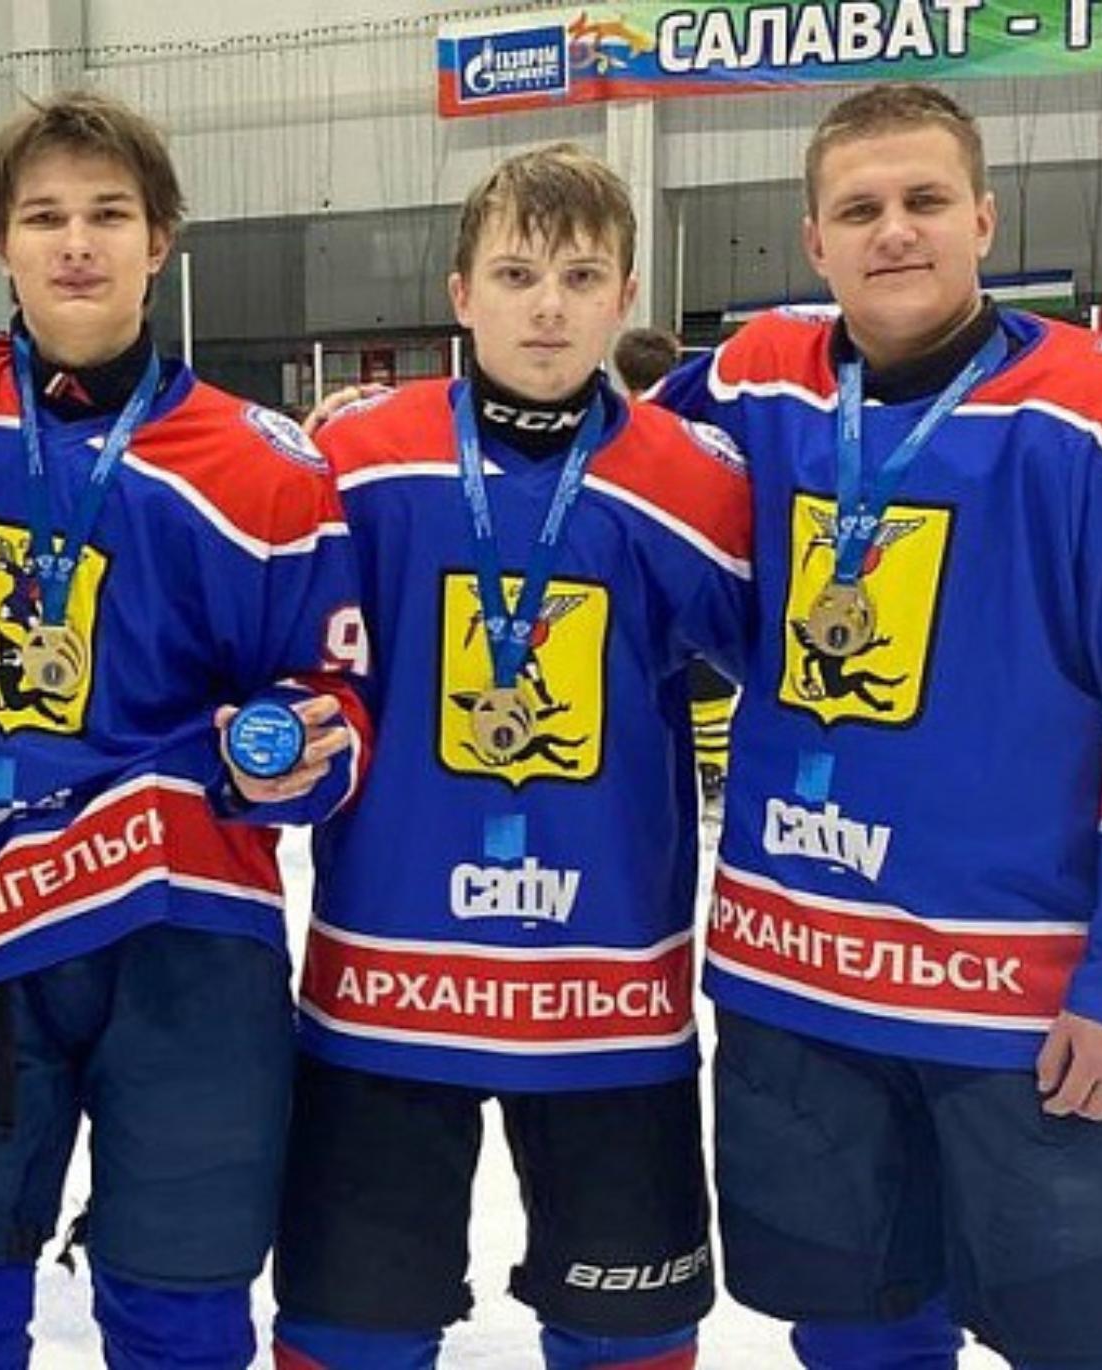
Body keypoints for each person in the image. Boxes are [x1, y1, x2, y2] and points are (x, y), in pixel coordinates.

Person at [654, 83, 1102, 1369]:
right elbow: (612, 486)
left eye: (923, 200)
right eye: (859, 209)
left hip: (1030, 1012)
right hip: (803, 996)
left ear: (984, 219)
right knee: (857, 1337)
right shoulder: (755, 382)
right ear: (814, 241)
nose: (894, 230)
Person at [0, 90, 368, 1369]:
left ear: (160, 240)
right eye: (45, 217)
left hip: (181, 931)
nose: (76, 243)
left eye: (109, 215)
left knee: (180, 1300)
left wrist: (290, 751)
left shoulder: (262, 467)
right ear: (0, 244)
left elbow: (334, 698)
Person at [270, 145, 750, 1370]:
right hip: (386, 991)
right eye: (517, 273)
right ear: (460, 292)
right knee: (346, 1333)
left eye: (581, 277)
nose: (548, 305)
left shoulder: (692, 481)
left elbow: (808, 676)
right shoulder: (360, 459)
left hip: (608, 997)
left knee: (632, 1332)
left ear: (625, 295)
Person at [613, 326, 738, 806]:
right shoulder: (703, 433)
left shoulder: (611, 432)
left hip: (633, 590)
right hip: (697, 568)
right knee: (707, 667)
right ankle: (713, 765)